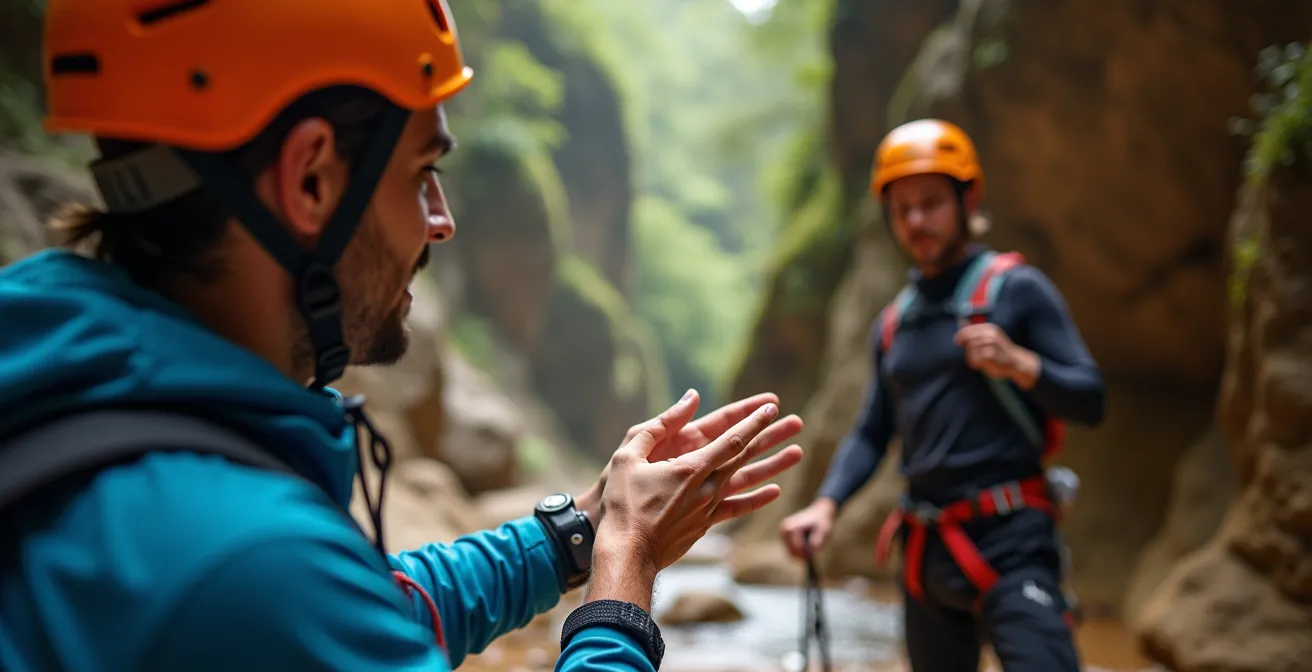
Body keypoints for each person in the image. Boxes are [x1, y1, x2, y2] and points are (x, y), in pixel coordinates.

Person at [0, 2, 806, 671]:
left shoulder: (58, 384)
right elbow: (298, 600)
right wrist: (624, 570)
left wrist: (583, 528)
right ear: (311, 179)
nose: (442, 220)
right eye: (422, 172)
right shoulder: (244, 564)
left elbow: (357, 611)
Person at [778, 118, 1105, 672]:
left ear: (966, 199)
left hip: (1013, 541)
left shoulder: (1018, 291)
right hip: (928, 552)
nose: (916, 221)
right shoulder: (893, 325)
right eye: (902, 209)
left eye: (930, 202)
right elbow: (873, 430)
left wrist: (1020, 363)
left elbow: (1090, 398)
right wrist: (826, 505)